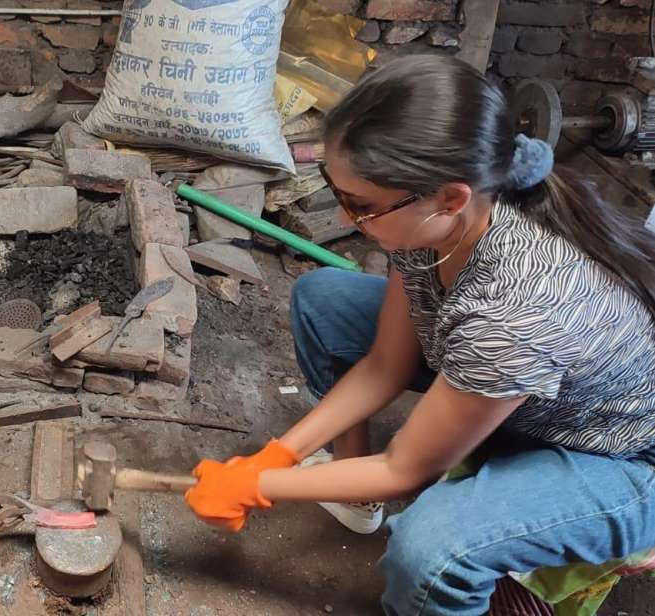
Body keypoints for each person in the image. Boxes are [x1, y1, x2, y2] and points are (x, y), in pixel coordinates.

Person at [185, 55, 655, 614]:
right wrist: (277, 456)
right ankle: (351, 491)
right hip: (522, 387)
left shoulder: (514, 308)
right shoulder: (433, 224)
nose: (344, 218)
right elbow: (385, 364)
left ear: (450, 198)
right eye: (338, 191)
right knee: (324, 300)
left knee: (431, 553)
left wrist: (257, 486)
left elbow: (405, 469)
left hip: (617, 457)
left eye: (360, 206)